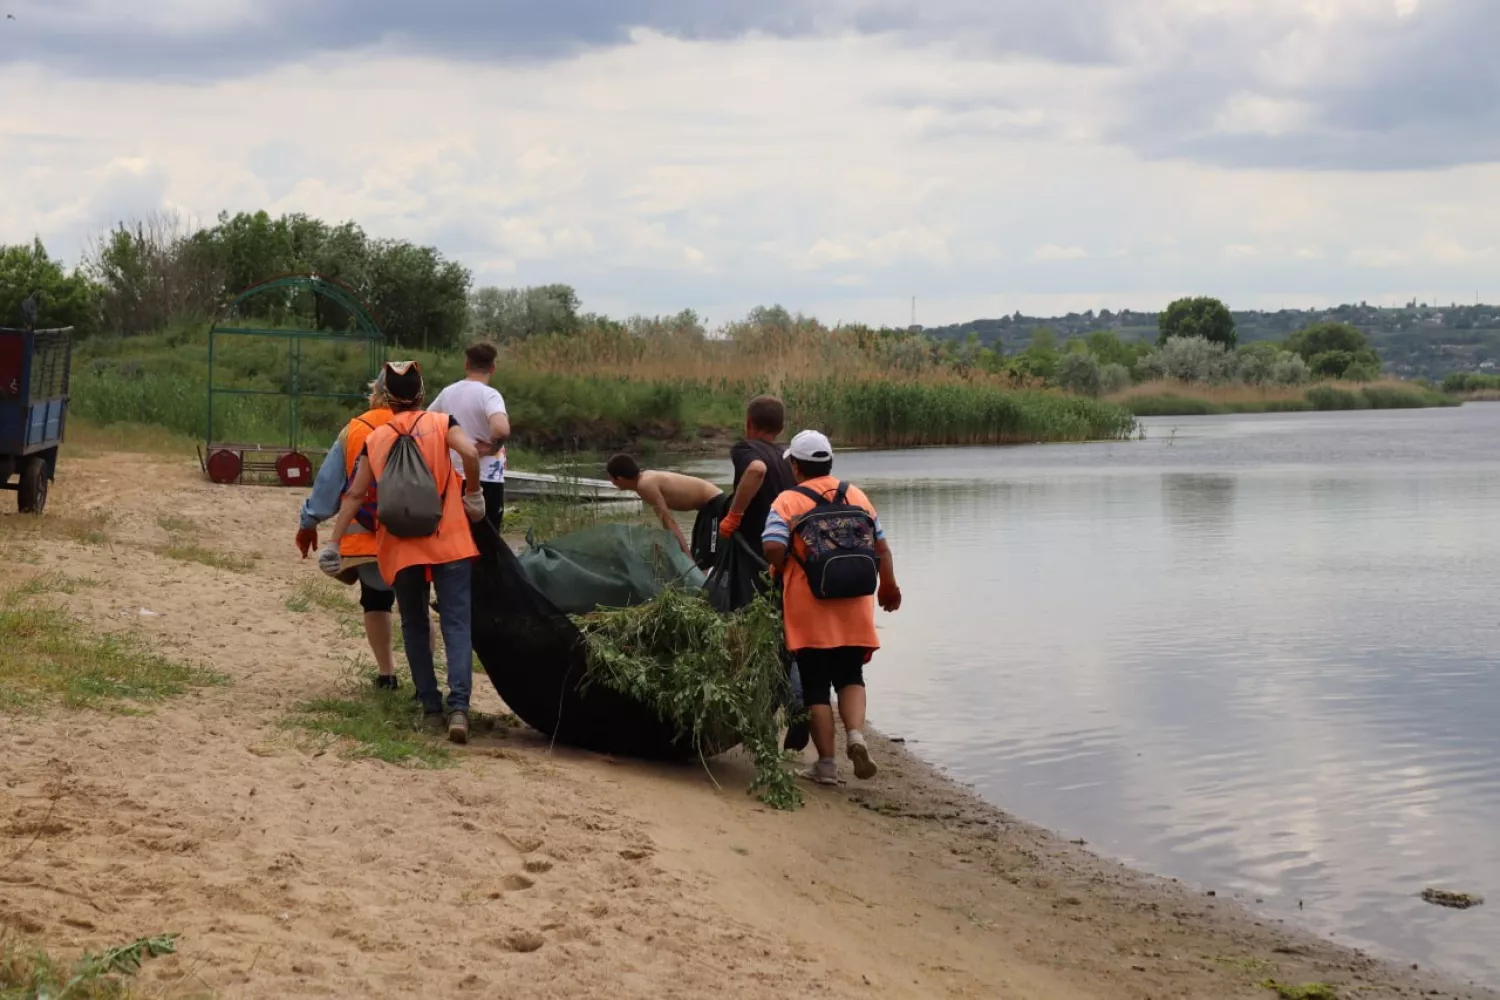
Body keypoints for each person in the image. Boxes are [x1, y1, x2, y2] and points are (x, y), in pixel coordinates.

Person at [324, 361, 487, 744]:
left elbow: (356, 494)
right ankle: (459, 708)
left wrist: (333, 542)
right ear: (421, 395)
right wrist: (473, 494)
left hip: (399, 545)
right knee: (456, 623)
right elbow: (472, 455)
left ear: (388, 399)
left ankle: (430, 709)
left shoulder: (376, 438)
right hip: (448, 540)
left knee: (413, 623)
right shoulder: (442, 424)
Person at [762, 430, 902, 786]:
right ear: (829, 462)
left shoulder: (786, 501)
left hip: (809, 607)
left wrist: (793, 559)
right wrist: (889, 586)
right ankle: (855, 735)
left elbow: (773, 549)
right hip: (855, 603)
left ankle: (826, 765)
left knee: (815, 688)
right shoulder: (856, 494)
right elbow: (881, 548)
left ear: (796, 466)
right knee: (851, 675)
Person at [295, 372, 398, 690]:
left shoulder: (355, 430)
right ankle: (427, 684)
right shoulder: (430, 425)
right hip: (416, 531)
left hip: (367, 533)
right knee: (415, 604)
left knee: (376, 600)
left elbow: (329, 486)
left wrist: (308, 523)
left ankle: (387, 674)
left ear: (376, 393)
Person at [429, 341, 510, 533]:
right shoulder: (490, 395)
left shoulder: (447, 393)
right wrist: (492, 447)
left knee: (455, 539)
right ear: (493, 368)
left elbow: (428, 423)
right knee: (486, 543)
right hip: (486, 479)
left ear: (466, 365)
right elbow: (502, 429)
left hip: (453, 478)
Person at [605, 454, 723, 565]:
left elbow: (669, 522)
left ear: (619, 478)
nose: (612, 482)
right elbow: (666, 524)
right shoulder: (644, 479)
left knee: (704, 561)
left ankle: (702, 581)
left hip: (715, 504)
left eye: (611, 478)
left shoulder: (644, 485)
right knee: (699, 557)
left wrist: (688, 561)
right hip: (707, 509)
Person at [718, 395, 796, 560]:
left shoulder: (745, 448)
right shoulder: (787, 455)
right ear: (781, 428)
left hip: (755, 545)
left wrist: (734, 515)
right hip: (785, 543)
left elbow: (757, 469)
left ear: (748, 423)